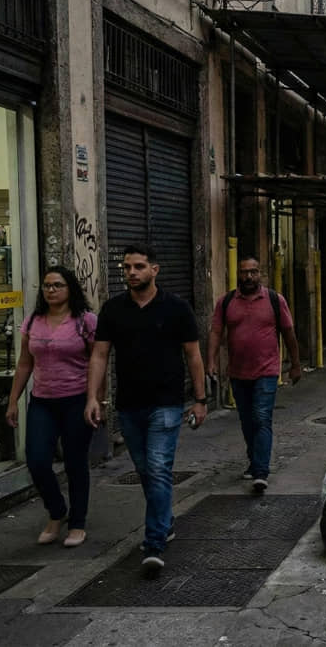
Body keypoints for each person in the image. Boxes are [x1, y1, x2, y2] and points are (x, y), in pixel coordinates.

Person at [86, 244, 207, 575]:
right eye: (126, 267)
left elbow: (193, 355)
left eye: (138, 266)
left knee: (157, 469)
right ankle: (165, 520)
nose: (131, 272)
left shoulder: (176, 308)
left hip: (166, 404)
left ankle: (154, 543)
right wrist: (92, 397)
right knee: (145, 471)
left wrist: (200, 399)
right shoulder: (113, 310)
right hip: (129, 406)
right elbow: (99, 356)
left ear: (155, 270)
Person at [6, 267, 99, 548]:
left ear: (70, 288)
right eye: (46, 285)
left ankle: (78, 523)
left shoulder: (85, 321)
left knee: (74, 463)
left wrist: (98, 401)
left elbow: (99, 362)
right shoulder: (34, 321)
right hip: (42, 402)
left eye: (57, 285)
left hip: (76, 400)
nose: (51, 290)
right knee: (36, 460)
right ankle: (57, 511)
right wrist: (13, 401)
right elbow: (25, 363)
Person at [207, 255, 300, 494]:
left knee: (261, 417)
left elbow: (289, 333)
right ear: (237, 274)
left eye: (254, 272)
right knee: (247, 420)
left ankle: (261, 472)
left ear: (261, 274)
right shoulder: (226, 302)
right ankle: (254, 459)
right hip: (238, 373)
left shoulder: (274, 300)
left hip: (266, 371)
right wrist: (211, 361)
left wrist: (296, 364)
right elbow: (216, 332)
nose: (249, 276)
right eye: (244, 272)